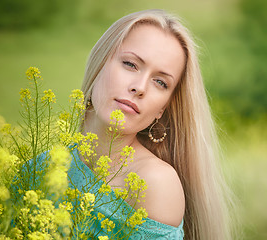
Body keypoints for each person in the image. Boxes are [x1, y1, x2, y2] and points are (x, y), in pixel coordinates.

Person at [76, 9, 237, 240]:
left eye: (160, 82)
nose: (139, 87)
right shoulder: (46, 163)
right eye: (130, 64)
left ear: (162, 109)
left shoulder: (154, 183)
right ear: (99, 62)